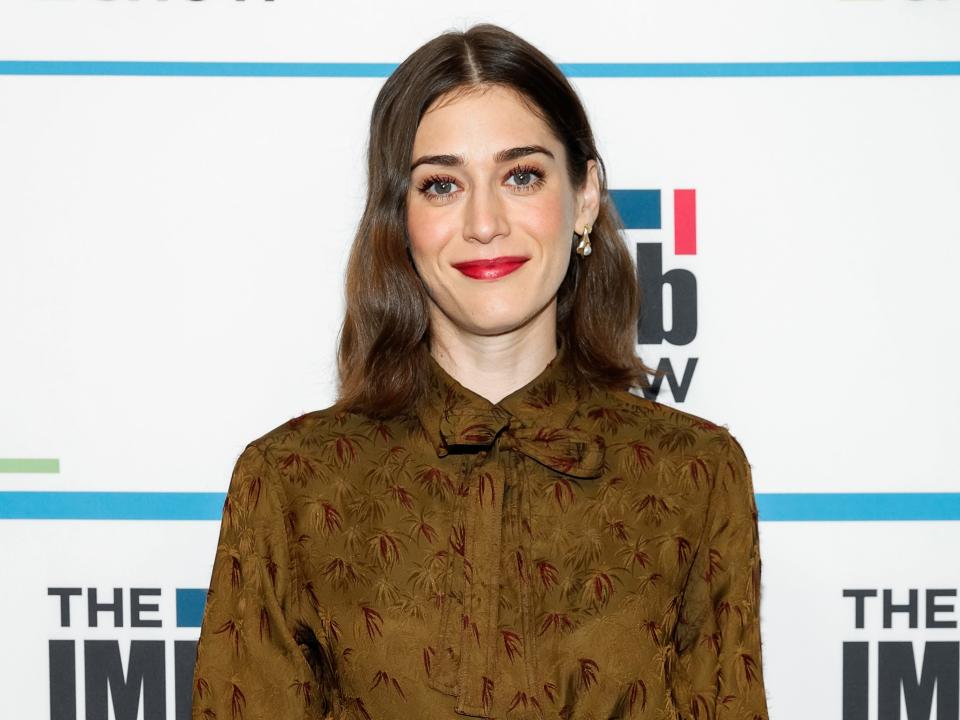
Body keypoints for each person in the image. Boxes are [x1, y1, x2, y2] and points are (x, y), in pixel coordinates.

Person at [192, 22, 769, 720]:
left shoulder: (696, 478)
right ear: (399, 219)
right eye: (441, 186)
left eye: (521, 175)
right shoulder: (289, 484)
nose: (485, 221)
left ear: (585, 198)